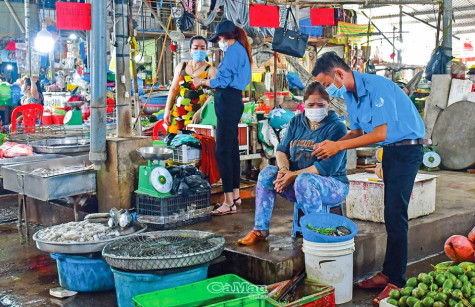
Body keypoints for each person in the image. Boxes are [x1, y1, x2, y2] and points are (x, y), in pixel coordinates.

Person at [311, 52, 426, 303]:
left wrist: (339, 148)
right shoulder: (352, 96)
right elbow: (358, 131)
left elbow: (379, 133)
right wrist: (331, 144)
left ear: (339, 74)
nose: (329, 91)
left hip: (407, 149)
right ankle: (388, 272)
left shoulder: (377, 86)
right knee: (390, 213)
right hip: (392, 151)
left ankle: (396, 280)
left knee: (396, 213)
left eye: (328, 84)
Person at [237, 82, 349, 245]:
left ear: (328, 104)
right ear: (304, 104)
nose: (315, 108)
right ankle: (260, 229)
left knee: (305, 181)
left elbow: (326, 168)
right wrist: (284, 170)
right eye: (311, 104)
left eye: (320, 104)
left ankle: (315, 237)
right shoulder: (297, 121)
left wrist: (294, 175)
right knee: (268, 173)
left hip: (333, 185)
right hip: (297, 181)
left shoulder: (336, 127)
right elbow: (282, 150)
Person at [191, 20, 252, 216]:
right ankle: (235, 195)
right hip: (232, 101)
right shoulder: (240, 50)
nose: (219, 43)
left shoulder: (233, 52)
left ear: (223, 37)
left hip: (227, 101)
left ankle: (228, 202)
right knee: (231, 150)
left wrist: (203, 81)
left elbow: (222, 81)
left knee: (223, 151)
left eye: (218, 39)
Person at [164, 36, 217, 134]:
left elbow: (214, 94)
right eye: (196, 48)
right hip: (178, 114)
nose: (199, 50)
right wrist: (167, 110)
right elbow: (173, 89)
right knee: (174, 143)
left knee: (194, 144)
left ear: (206, 50)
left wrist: (200, 112)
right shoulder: (181, 66)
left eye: (202, 48)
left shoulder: (211, 70)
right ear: (190, 50)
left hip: (199, 115)